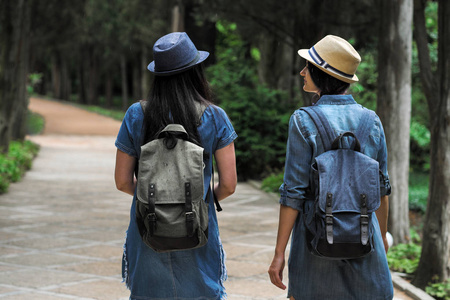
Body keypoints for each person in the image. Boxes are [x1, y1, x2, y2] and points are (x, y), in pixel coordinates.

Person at [268, 35, 393, 300]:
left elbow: (294, 193)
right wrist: (380, 237)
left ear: (322, 74)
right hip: (363, 237)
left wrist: (280, 253)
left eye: (308, 66)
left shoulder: (303, 121)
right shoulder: (372, 121)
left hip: (315, 245)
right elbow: (382, 189)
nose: (302, 71)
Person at [115, 32, 237, 300]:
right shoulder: (215, 117)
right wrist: (198, 199)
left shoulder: (136, 115)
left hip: (148, 226)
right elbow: (228, 184)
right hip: (198, 227)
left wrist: (154, 200)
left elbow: (123, 181)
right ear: (195, 71)